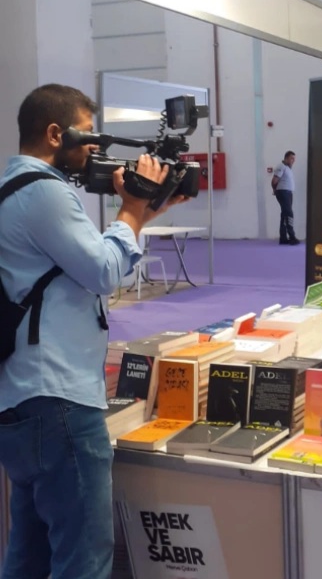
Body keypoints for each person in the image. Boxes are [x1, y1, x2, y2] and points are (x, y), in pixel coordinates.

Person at [0, 83, 188, 579]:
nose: (94, 150)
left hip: (21, 397)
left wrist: (142, 211)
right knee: (83, 559)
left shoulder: (11, 189)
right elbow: (104, 272)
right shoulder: (44, 192)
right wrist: (131, 209)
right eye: (88, 136)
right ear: (55, 134)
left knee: (29, 554)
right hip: (58, 399)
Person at [272, 150, 299, 245]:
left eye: (294, 159)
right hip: (283, 193)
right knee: (289, 214)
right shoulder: (281, 166)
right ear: (286, 158)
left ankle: (283, 238)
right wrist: (275, 190)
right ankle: (292, 237)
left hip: (287, 193)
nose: (293, 161)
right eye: (291, 158)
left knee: (284, 214)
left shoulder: (288, 168)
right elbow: (274, 181)